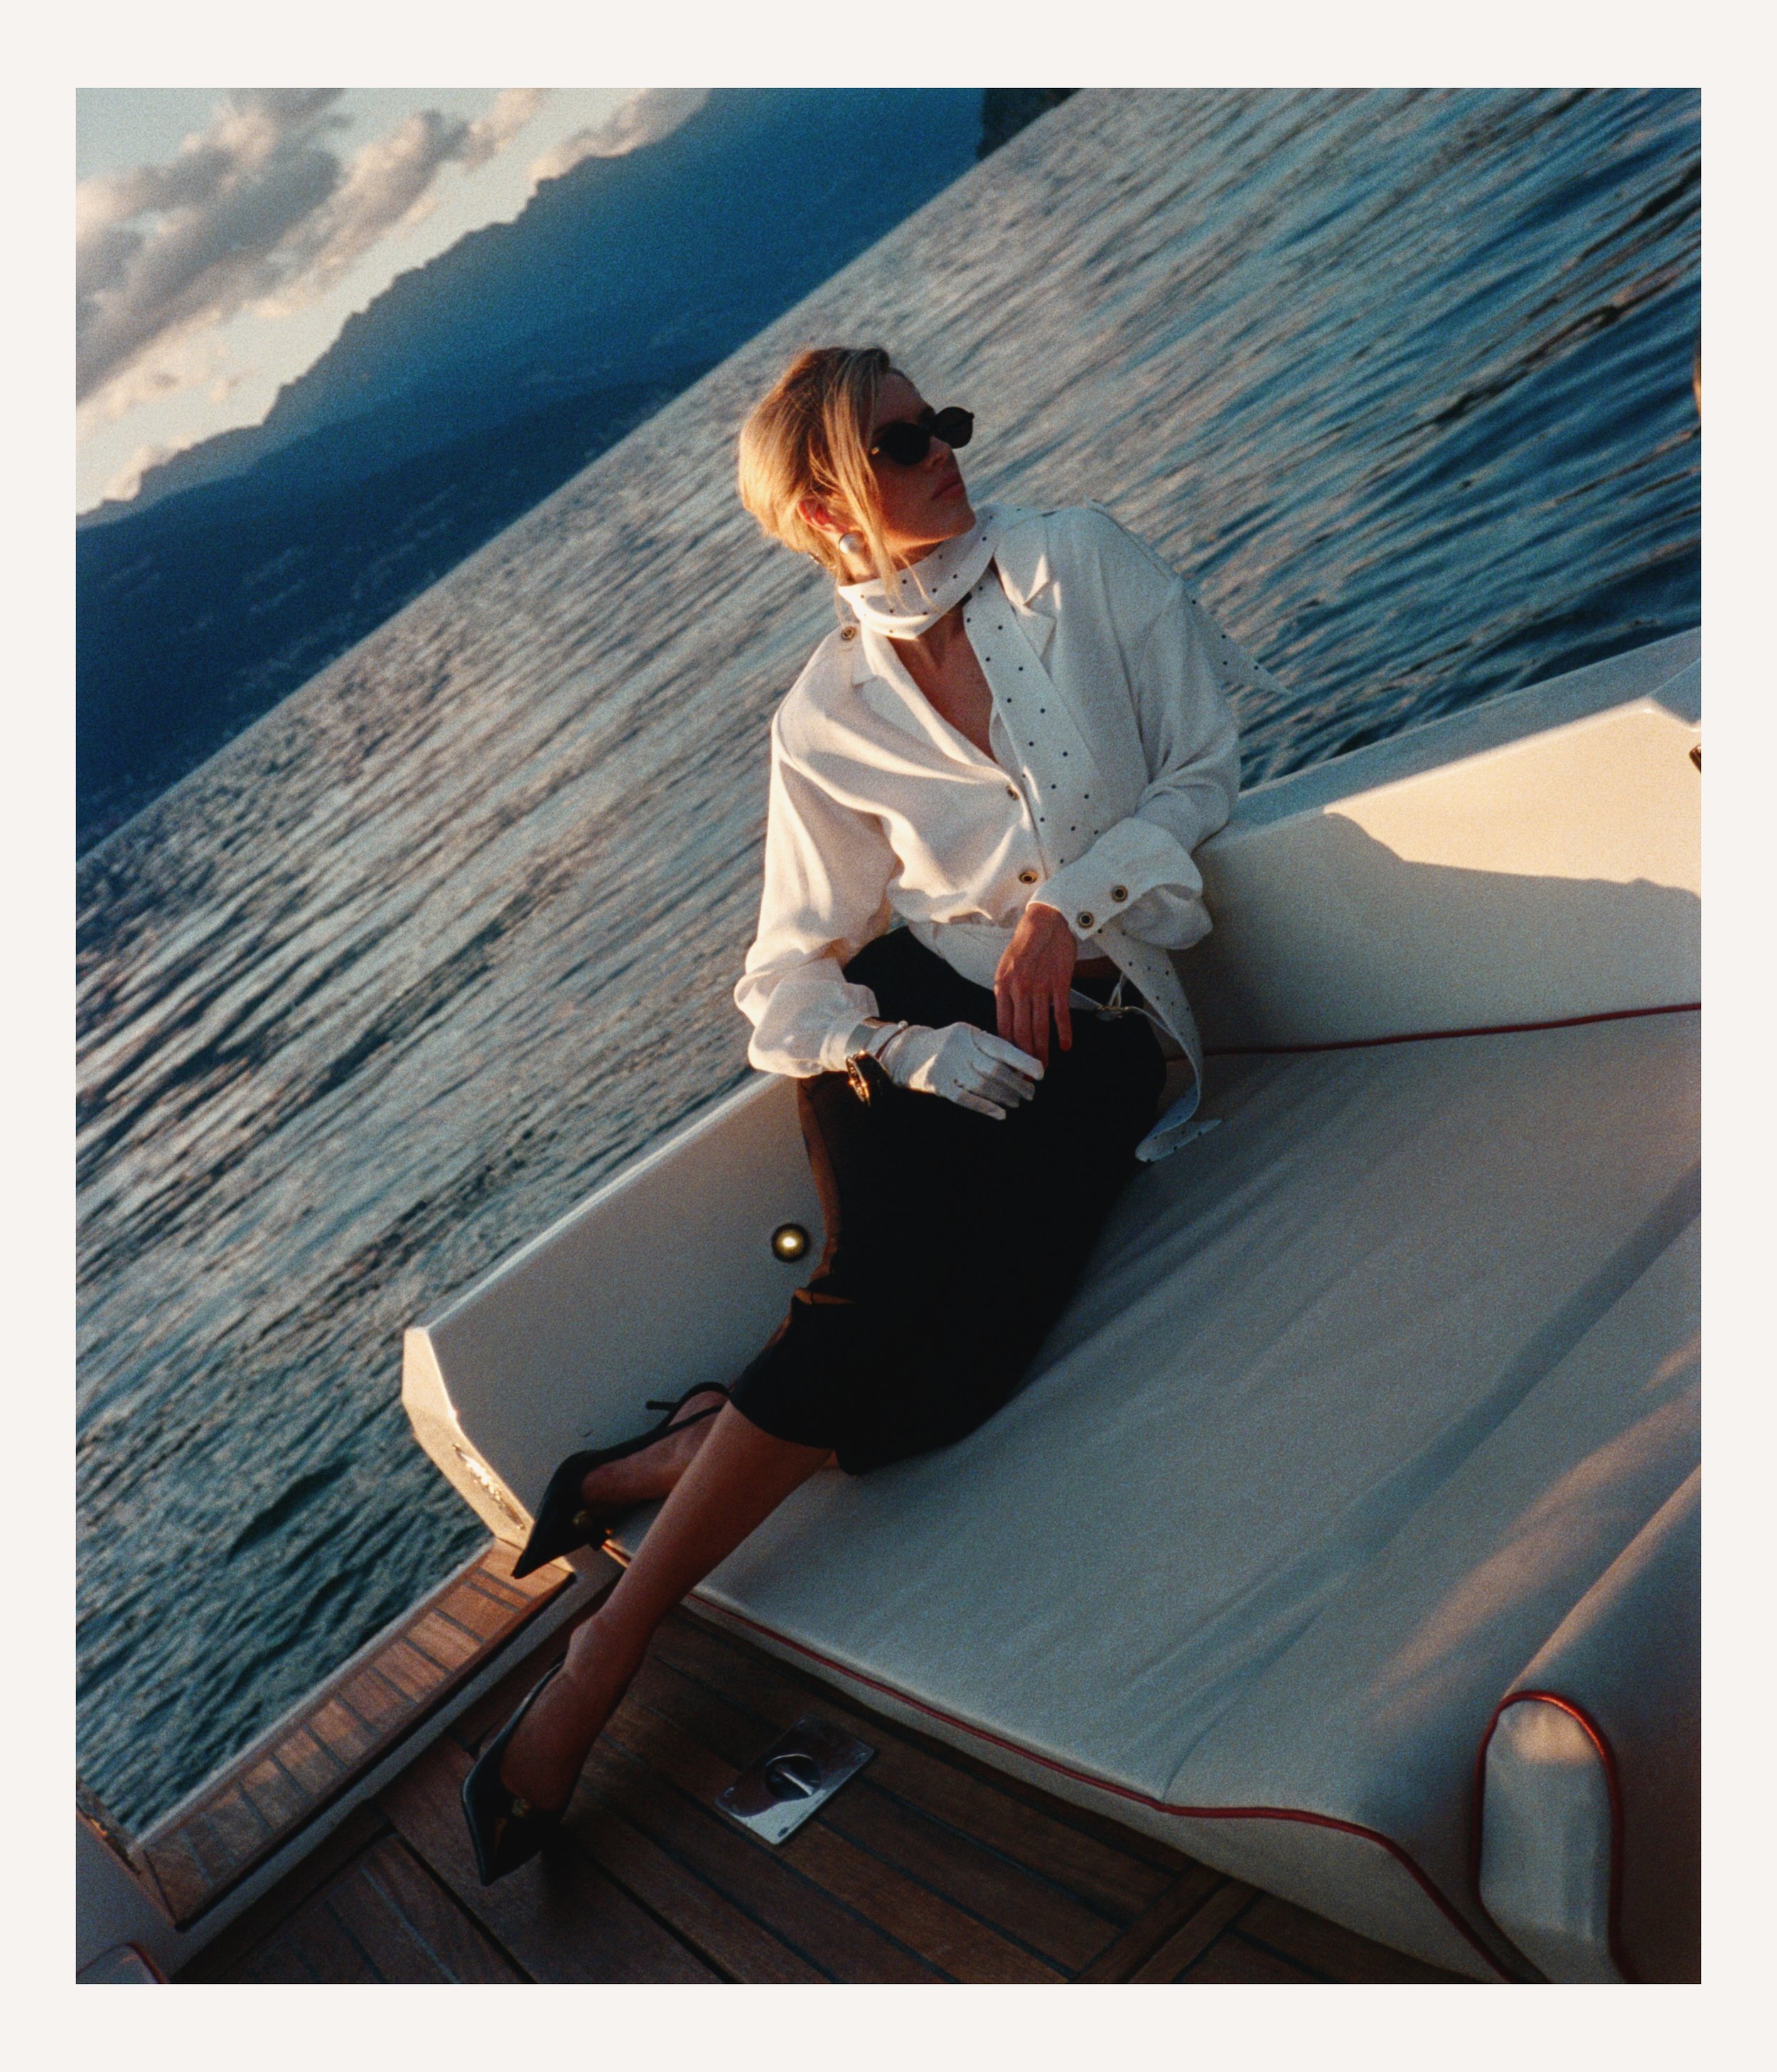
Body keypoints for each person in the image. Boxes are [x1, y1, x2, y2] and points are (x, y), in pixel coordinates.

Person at [462, 344, 1260, 1883]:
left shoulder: (1071, 564)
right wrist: (898, 1053)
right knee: (874, 1298)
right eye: (902, 444)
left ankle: (663, 1461)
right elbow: (782, 976)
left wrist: (1062, 910)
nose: (947, 450)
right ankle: (601, 1663)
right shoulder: (819, 714)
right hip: (908, 1027)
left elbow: (1209, 765)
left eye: (941, 420)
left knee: (938, 1398)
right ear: (825, 505)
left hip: (1096, 1041)